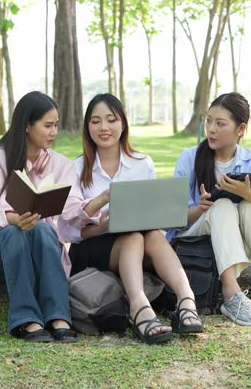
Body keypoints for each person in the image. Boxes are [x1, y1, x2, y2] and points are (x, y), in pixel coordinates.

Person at [59, 93, 203, 344]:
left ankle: (186, 300)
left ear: (123, 124)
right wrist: (103, 225)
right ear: (87, 127)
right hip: (92, 248)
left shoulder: (142, 163)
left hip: (140, 242)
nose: (104, 127)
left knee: (151, 235)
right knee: (133, 236)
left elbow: (153, 214)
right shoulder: (76, 168)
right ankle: (139, 307)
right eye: (95, 121)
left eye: (111, 120)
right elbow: (68, 231)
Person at [0, 91, 81, 343]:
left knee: (45, 229)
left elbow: (72, 206)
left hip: (40, 243)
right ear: (27, 125)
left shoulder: (61, 164)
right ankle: (26, 319)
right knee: (17, 231)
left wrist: (98, 205)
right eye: (47, 125)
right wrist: (16, 219)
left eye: (56, 125)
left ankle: (58, 316)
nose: (54, 132)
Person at [171, 92, 251, 327]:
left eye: (220, 124)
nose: (211, 129)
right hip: (196, 236)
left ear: (240, 129)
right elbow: (173, 218)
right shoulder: (189, 158)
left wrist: (248, 194)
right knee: (223, 205)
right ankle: (231, 293)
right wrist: (200, 208)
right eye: (209, 121)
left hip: (237, 237)